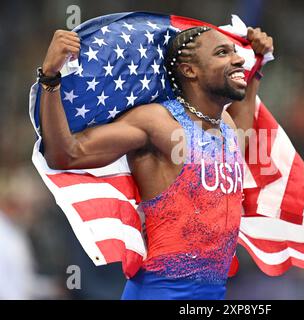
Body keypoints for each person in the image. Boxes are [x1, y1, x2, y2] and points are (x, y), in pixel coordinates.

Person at [38, 25, 273, 300]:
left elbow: (239, 140)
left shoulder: (227, 126)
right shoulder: (158, 123)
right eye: (223, 53)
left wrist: (256, 67)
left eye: (236, 53)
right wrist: (51, 77)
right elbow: (66, 153)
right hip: (159, 292)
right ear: (189, 70)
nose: (237, 60)